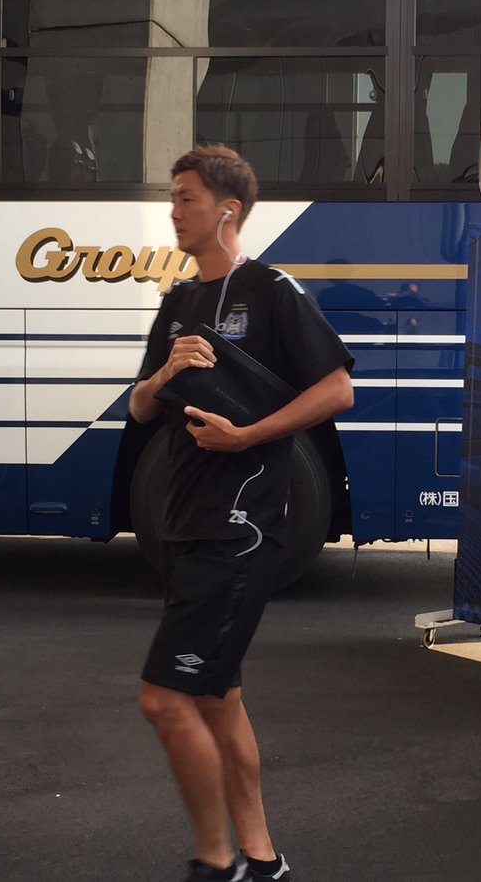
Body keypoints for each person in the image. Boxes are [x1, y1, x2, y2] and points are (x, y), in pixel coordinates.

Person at [129, 145, 354, 882]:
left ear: (227, 210)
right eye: (172, 197)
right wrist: (166, 370)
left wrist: (249, 435)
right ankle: (262, 859)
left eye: (185, 197)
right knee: (218, 698)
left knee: (165, 699)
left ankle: (215, 861)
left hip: (240, 530)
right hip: (183, 523)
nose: (173, 210)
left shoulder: (272, 290)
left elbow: (337, 390)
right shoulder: (177, 302)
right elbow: (139, 407)